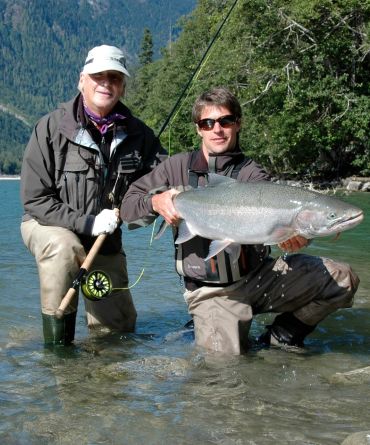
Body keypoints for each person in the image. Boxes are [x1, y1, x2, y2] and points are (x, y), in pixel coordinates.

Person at [120, 86, 360, 355]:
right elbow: (128, 208)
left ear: (238, 124)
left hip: (259, 278)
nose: (217, 129)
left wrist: (295, 238)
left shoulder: (252, 173)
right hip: (211, 292)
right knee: (225, 369)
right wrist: (156, 202)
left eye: (226, 121)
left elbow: (281, 230)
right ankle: (204, 323)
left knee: (342, 279)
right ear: (198, 128)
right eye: (208, 123)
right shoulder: (175, 167)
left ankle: (282, 335)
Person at [20, 44, 166, 347]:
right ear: (81, 80)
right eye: (98, 76)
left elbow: (162, 182)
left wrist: (162, 201)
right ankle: (59, 349)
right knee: (64, 248)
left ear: (123, 86)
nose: (106, 83)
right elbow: (35, 200)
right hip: (47, 227)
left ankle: (102, 380)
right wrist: (87, 223)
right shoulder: (50, 128)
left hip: (105, 240)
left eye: (114, 78)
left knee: (118, 335)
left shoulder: (140, 135)